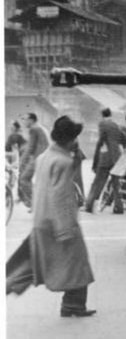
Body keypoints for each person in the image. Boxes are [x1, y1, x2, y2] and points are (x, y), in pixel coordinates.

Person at [6, 115, 96, 317]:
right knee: (77, 263)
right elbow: (61, 196)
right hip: (59, 224)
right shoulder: (63, 161)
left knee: (31, 266)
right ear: (71, 139)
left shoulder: (45, 156)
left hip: (42, 221)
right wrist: (66, 229)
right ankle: (73, 305)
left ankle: (72, 305)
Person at [84, 108, 125, 214]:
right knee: (116, 184)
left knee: (98, 182)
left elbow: (101, 139)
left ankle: (89, 205)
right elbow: (123, 138)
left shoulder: (103, 124)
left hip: (106, 158)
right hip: (116, 157)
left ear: (102, 115)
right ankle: (119, 207)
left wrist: (98, 152)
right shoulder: (116, 125)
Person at [18, 113, 49, 209]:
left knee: (24, 179)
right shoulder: (40, 128)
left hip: (38, 158)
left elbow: (30, 147)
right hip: (44, 157)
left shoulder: (33, 129)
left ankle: (35, 204)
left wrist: (21, 160)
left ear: (31, 120)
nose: (23, 121)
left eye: (25, 119)